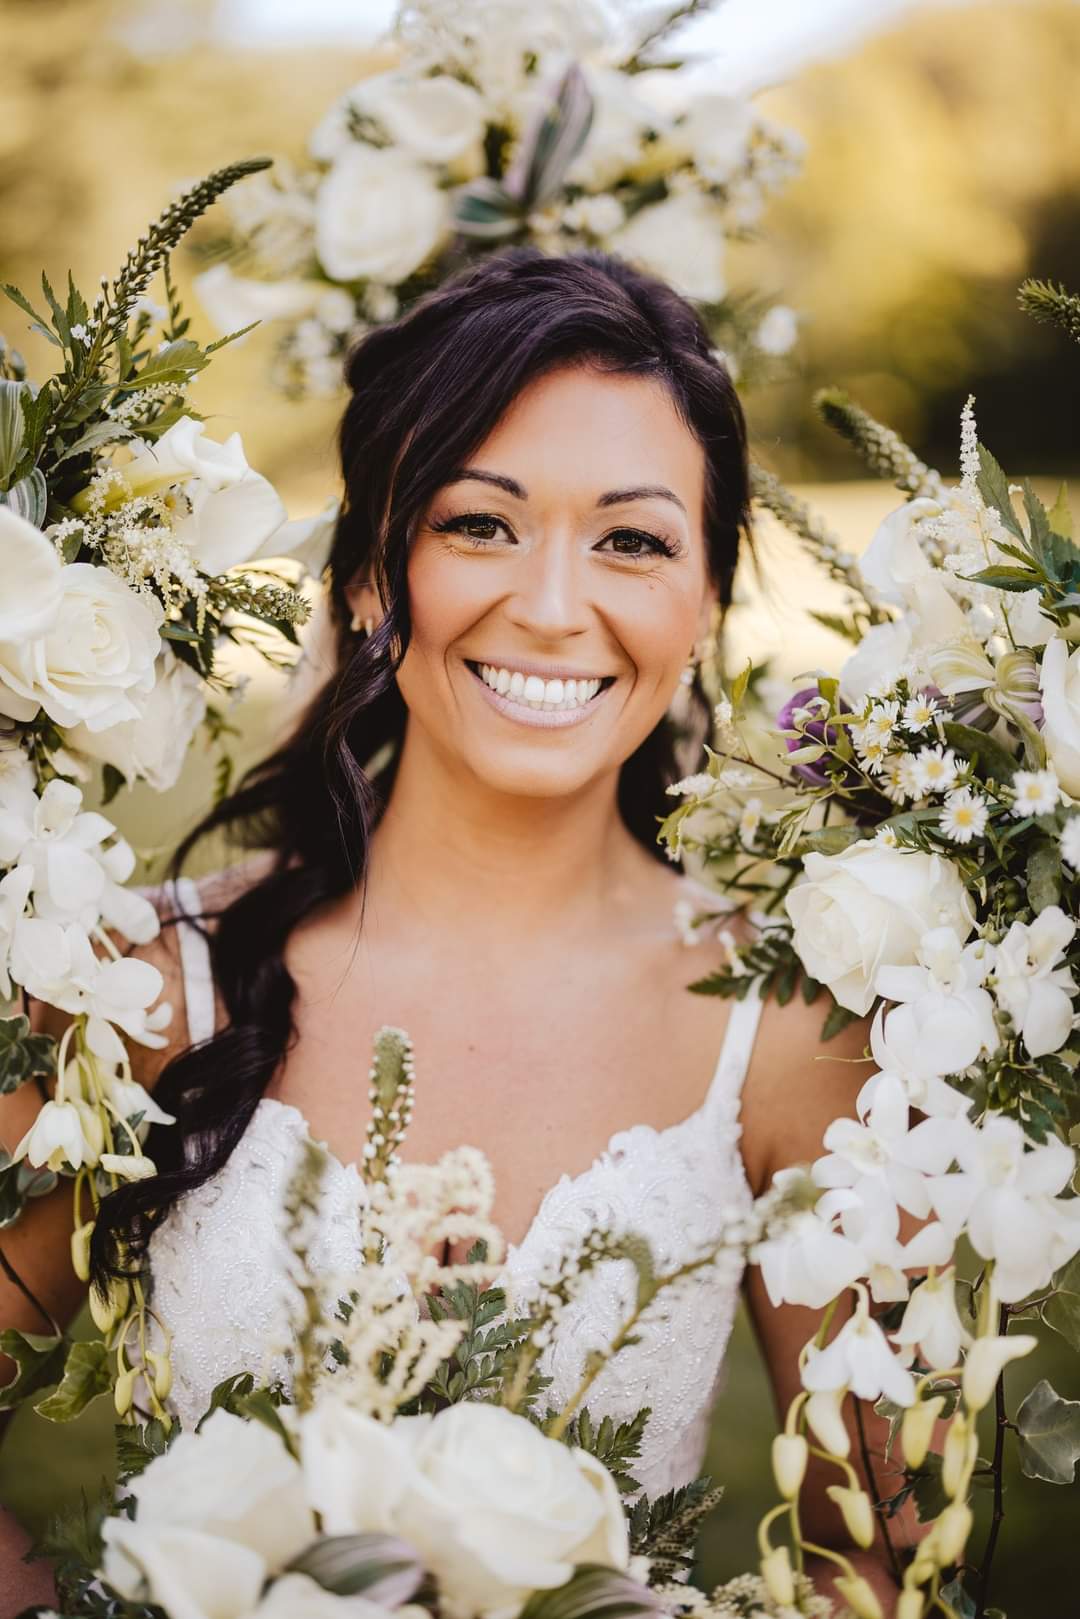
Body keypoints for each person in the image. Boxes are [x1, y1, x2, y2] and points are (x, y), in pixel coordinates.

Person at [0, 248, 905, 1611]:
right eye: (480, 524)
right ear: (372, 574)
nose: (551, 607)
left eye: (634, 540)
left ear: (706, 603)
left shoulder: (790, 1031)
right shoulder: (144, 990)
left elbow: (875, 1560)